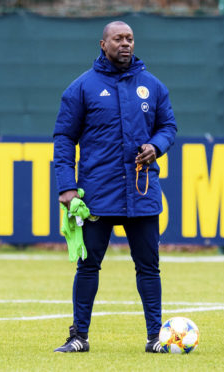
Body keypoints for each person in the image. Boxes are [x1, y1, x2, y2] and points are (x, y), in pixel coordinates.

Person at [53, 20, 177, 353]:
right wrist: (66, 186)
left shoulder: (152, 86)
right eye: (118, 39)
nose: (126, 44)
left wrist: (157, 145)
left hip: (141, 191)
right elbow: (64, 138)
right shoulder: (81, 87)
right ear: (103, 44)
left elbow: (168, 126)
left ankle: (156, 338)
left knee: (149, 266)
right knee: (88, 265)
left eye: (130, 38)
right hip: (96, 195)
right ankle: (79, 336)